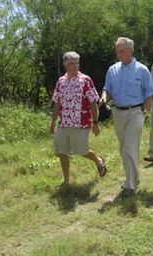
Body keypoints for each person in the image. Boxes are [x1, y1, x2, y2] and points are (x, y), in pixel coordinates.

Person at [100, 37, 153, 196]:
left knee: (129, 146)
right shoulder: (113, 70)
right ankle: (133, 177)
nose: (119, 54)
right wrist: (104, 97)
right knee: (124, 148)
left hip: (135, 113)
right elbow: (107, 89)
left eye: (122, 51)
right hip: (118, 113)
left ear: (131, 50)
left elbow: (150, 92)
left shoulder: (142, 70)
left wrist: (144, 111)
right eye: (117, 51)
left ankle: (130, 186)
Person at [50, 51, 107, 185]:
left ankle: (98, 161)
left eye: (77, 63)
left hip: (81, 123)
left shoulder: (85, 80)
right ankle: (66, 180)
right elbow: (57, 103)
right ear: (66, 66)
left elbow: (93, 102)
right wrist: (52, 122)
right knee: (62, 152)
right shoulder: (61, 82)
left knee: (82, 151)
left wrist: (95, 122)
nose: (75, 66)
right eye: (72, 64)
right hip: (64, 123)